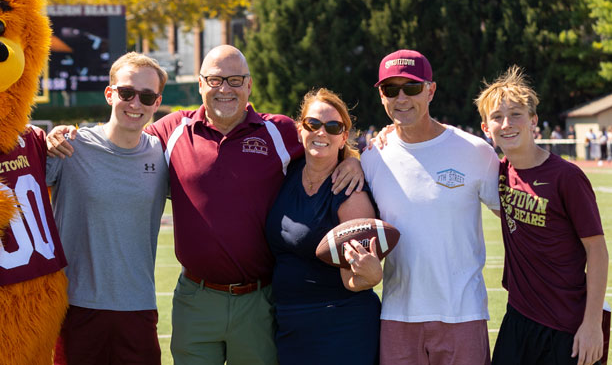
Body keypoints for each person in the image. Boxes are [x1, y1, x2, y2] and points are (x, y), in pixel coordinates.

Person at [47, 45, 365, 364]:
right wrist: (60, 135)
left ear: (249, 85)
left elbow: (322, 143)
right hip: (195, 298)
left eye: (235, 79)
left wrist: (352, 160)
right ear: (200, 85)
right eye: (215, 79)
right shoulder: (169, 131)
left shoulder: (279, 131)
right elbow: (121, 140)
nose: (225, 88)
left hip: (258, 299)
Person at [361, 49, 500, 365]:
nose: (401, 98)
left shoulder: (475, 151)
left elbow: (515, 222)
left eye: (411, 88)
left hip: (462, 313)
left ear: (430, 90)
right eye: (390, 89)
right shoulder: (371, 157)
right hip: (397, 314)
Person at [475, 65, 608, 365]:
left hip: (568, 325)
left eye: (516, 114)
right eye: (496, 117)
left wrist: (592, 325)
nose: (506, 123)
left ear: (533, 120)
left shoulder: (567, 177)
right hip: (518, 318)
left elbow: (597, 250)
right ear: (486, 127)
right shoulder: (495, 172)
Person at [46, 52, 169, 364]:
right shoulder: (69, 146)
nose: (135, 104)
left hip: (139, 307)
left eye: (146, 96)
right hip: (77, 308)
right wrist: (46, 139)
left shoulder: (161, 154)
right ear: (110, 93)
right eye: (127, 93)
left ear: (157, 102)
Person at [265, 88, 382, 365]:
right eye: (313, 124)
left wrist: (371, 275)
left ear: (343, 137)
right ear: (299, 129)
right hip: (290, 325)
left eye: (333, 127)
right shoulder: (288, 171)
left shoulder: (350, 192)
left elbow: (354, 279)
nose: (321, 133)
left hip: (339, 326)